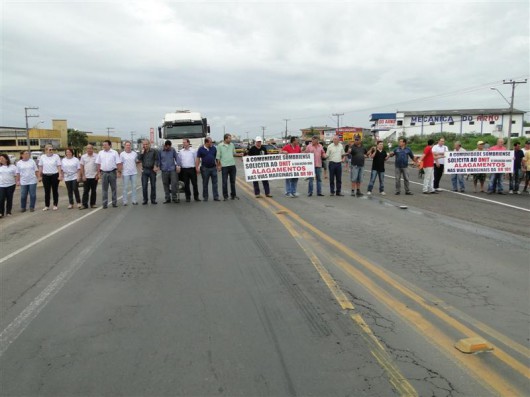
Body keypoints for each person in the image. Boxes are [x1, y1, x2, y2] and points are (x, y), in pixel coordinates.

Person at [96, 139, 122, 208]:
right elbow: (98, 164)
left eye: (105, 145)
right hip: (104, 173)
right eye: (103, 145)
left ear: (109, 145)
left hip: (112, 172)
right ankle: (105, 204)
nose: (104, 146)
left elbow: (118, 163)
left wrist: (119, 172)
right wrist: (98, 173)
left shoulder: (114, 153)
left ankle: (114, 203)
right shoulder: (100, 153)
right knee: (104, 189)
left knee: (114, 188)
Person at [38, 144, 62, 211]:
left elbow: (59, 166)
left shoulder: (56, 156)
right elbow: (40, 166)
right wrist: (39, 176)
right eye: (50, 149)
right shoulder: (42, 157)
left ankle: (55, 204)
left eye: (52, 149)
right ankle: (47, 205)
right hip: (45, 176)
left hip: (54, 175)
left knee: (55, 190)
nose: (51, 151)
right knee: (47, 191)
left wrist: (60, 174)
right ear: (46, 150)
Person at [196, 137, 219, 201]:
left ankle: (216, 197)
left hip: (213, 168)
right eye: (210, 142)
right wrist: (197, 167)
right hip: (205, 168)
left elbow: (216, 158)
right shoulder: (201, 149)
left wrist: (218, 165)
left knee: (215, 183)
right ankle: (205, 197)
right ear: (206, 142)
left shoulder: (214, 148)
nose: (211, 143)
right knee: (205, 183)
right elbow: (198, 158)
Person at [216, 133, 238, 200]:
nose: (230, 139)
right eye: (229, 138)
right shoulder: (220, 146)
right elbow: (218, 157)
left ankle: (233, 195)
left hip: (232, 165)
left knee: (233, 181)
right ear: (225, 139)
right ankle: (225, 196)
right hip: (224, 166)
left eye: (230, 138)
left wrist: (240, 154)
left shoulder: (232, 145)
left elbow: (234, 154)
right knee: (224, 182)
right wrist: (219, 166)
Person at [137, 139, 159, 205]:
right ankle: (145, 200)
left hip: (152, 170)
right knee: (144, 186)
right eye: (144, 144)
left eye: (146, 144)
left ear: (149, 144)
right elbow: (138, 159)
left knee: (153, 186)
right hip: (145, 170)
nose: (145, 145)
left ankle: (153, 199)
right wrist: (142, 153)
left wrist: (155, 165)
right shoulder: (141, 152)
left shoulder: (154, 151)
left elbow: (156, 159)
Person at [158, 140, 179, 204]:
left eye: (169, 147)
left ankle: (174, 197)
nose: (168, 148)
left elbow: (177, 158)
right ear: (165, 146)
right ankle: (167, 198)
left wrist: (178, 165)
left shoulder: (172, 150)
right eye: (167, 147)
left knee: (174, 184)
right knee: (165, 184)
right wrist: (158, 166)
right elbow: (159, 160)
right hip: (164, 170)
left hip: (172, 170)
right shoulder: (160, 151)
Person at [80, 144, 99, 209]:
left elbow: (98, 166)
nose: (89, 150)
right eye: (88, 148)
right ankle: (84, 204)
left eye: (90, 148)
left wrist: (98, 174)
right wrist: (83, 175)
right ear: (86, 149)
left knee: (93, 191)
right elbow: (82, 166)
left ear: (92, 149)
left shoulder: (96, 156)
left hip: (94, 176)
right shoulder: (83, 157)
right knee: (85, 191)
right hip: (86, 177)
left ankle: (93, 204)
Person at [120, 141, 139, 205]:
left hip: (134, 172)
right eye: (127, 145)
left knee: (134, 187)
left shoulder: (134, 153)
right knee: (125, 187)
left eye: (129, 145)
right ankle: (125, 201)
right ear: (124, 146)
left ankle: (134, 200)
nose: (128, 146)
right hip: (126, 173)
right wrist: (120, 171)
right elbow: (121, 164)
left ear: (131, 146)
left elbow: (137, 162)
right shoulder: (122, 154)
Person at [0, 153, 17, 218]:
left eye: (2, 158)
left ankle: (8, 211)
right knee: (1, 199)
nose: (1, 160)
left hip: (11, 185)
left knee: (9, 198)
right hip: (1, 185)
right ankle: (1, 212)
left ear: (6, 159)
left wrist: (17, 182)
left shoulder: (12, 167)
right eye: (0, 159)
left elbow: (16, 175)